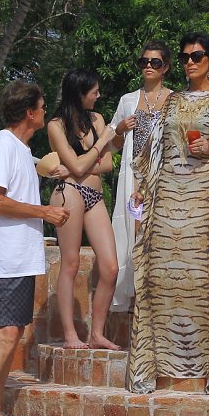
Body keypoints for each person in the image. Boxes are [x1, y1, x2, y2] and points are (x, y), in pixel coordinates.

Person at [127, 33, 209, 394]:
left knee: (203, 285)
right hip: (166, 204)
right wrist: (143, 189)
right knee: (159, 283)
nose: (189, 62)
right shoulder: (171, 102)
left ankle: (204, 373)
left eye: (197, 56)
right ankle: (155, 369)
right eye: (184, 57)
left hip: (205, 210)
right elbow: (152, 150)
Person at [0, 81, 69, 416]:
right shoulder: (2, 145)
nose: (44, 111)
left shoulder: (22, 150)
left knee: (11, 333)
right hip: (4, 259)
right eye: (41, 106)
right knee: (6, 334)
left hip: (20, 259)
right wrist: (45, 212)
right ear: (30, 112)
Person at [48, 69, 120, 350]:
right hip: (69, 194)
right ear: (80, 94)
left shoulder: (97, 119)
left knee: (110, 266)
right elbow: (82, 167)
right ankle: (69, 334)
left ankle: (97, 333)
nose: (99, 96)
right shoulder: (56, 125)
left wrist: (76, 164)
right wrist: (100, 144)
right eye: (94, 92)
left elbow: (107, 165)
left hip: (95, 194)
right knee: (71, 263)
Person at [109, 40, 172, 313]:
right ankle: (135, 301)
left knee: (159, 236)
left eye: (155, 62)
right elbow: (111, 143)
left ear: (165, 67)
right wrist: (120, 129)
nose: (148, 66)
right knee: (134, 235)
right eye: (144, 61)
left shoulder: (175, 99)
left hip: (164, 178)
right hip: (133, 177)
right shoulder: (127, 101)